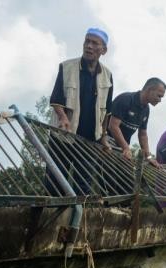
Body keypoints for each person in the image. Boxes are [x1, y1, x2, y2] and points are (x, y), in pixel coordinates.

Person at [47, 28, 113, 195]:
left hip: (90, 142)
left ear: (103, 50)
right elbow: (56, 100)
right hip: (63, 137)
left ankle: (74, 221)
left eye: (94, 43)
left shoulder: (108, 75)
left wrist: (103, 137)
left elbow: (107, 111)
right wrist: (62, 117)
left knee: (83, 189)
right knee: (54, 186)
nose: (89, 46)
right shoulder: (66, 67)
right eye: (86, 42)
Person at [107, 77, 166, 166]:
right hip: (106, 141)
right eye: (159, 96)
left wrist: (149, 157)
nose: (160, 100)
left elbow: (142, 135)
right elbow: (113, 126)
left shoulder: (146, 109)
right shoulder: (126, 99)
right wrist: (126, 148)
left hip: (121, 148)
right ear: (149, 90)